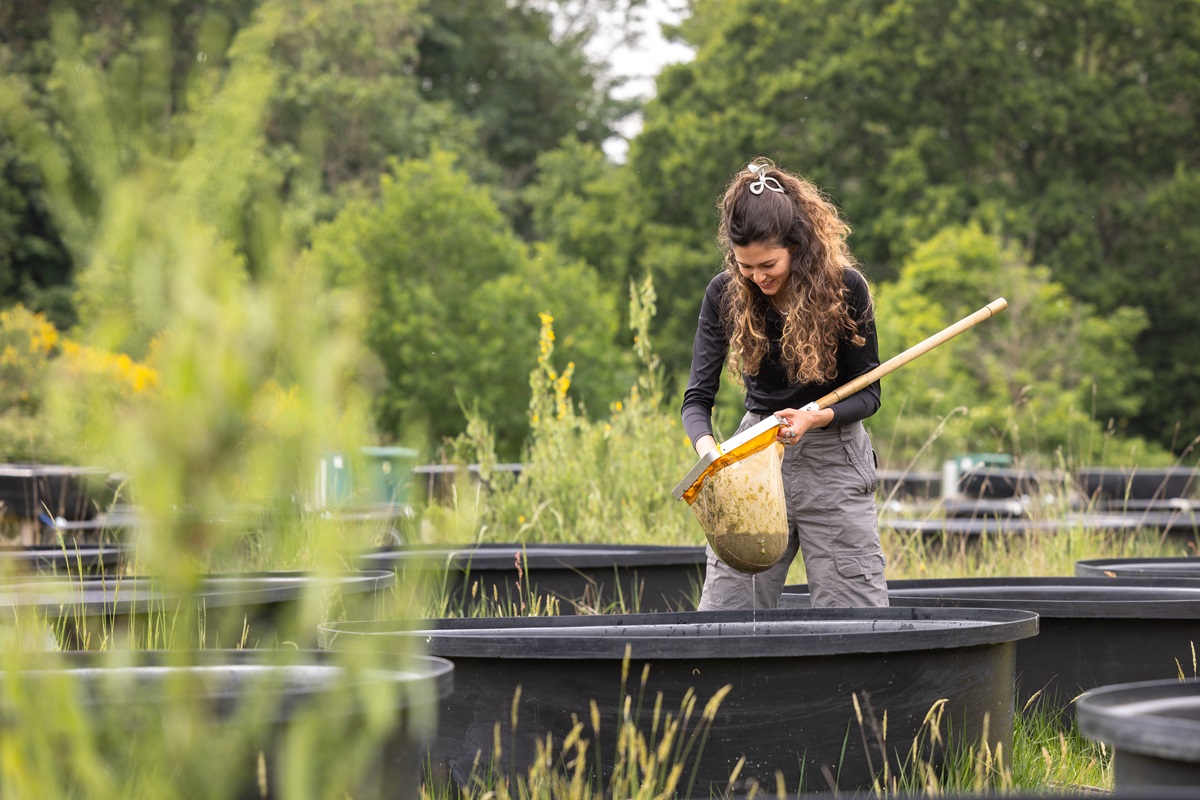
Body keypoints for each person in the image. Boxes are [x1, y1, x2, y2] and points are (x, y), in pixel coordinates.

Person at [681, 158, 888, 610]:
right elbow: (696, 399)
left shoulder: (847, 288)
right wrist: (709, 453)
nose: (757, 276)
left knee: (854, 618)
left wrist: (816, 417)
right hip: (751, 456)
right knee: (729, 614)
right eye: (746, 266)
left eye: (768, 263)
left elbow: (869, 393)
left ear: (797, 245)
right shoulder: (724, 293)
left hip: (832, 459)